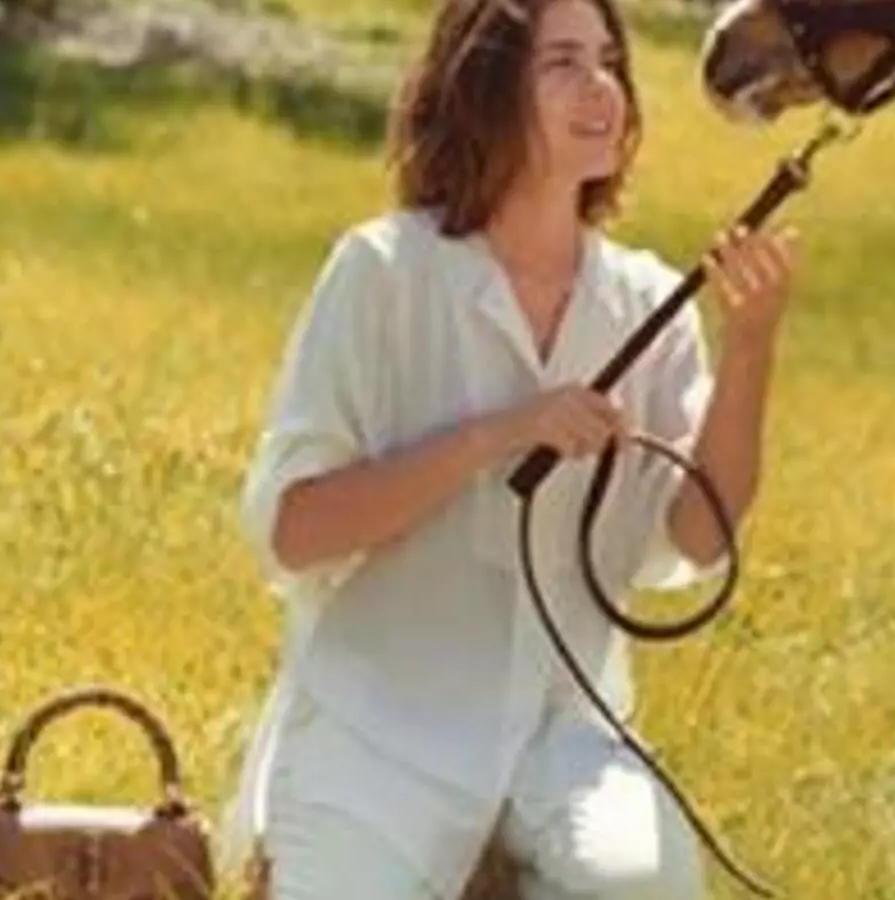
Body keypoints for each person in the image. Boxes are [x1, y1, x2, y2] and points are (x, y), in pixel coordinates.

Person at [219, 0, 797, 894]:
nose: (600, 87)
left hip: (568, 736)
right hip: (379, 733)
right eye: (562, 63)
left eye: (609, 61)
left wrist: (751, 346)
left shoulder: (646, 301)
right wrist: (501, 433)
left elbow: (698, 533)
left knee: (642, 884)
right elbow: (296, 531)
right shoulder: (382, 274)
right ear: (485, 91)